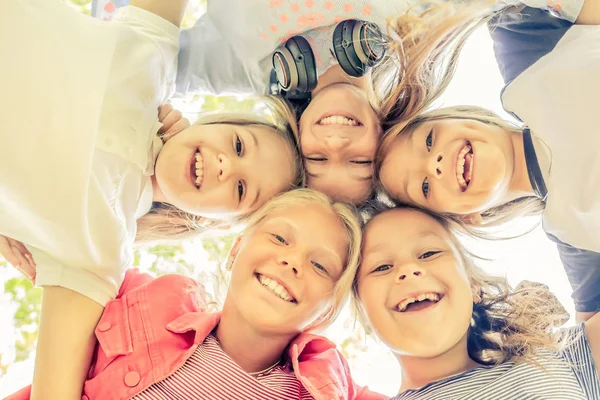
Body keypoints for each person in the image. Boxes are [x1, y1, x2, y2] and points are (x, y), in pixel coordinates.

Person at [0, 1, 301, 398]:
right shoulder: (152, 56)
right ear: (217, 122)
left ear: (221, 221)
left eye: (241, 190)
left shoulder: (100, 253)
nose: (227, 165)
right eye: (239, 144)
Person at [7, 189, 385, 400]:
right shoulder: (149, 301)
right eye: (280, 238)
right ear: (235, 250)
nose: (292, 262)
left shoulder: (328, 389)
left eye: (320, 266)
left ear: (327, 310)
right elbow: (65, 233)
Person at [376, 0, 600, 323]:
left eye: (428, 141)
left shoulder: (526, 52)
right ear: (466, 217)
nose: (434, 164)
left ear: (460, 117)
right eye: (425, 186)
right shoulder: (573, 235)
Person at [354, 205, 600, 399]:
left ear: (473, 285)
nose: (409, 269)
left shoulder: (560, 360)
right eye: (382, 267)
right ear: (364, 314)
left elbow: (577, 197)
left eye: (429, 253)